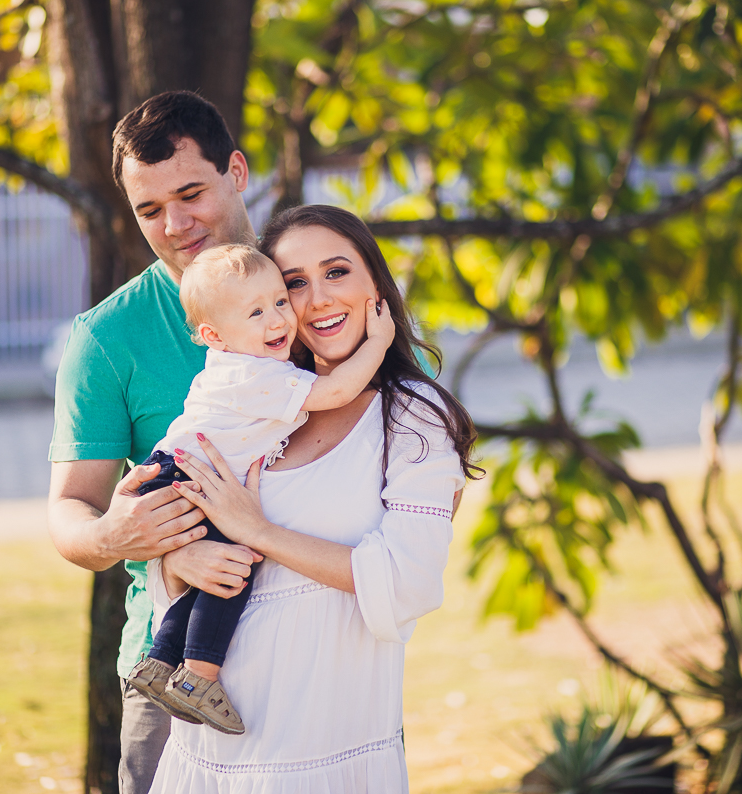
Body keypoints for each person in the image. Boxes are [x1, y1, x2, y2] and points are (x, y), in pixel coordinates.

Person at [146, 204, 483, 793]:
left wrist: (260, 533)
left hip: (319, 752)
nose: (317, 299)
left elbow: (408, 581)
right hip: (205, 757)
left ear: (376, 284)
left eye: (337, 272)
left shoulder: (411, 418)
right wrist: (176, 559)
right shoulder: (260, 406)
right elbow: (183, 539)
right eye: (293, 284)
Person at [47, 91, 266, 794]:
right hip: (172, 670)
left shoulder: (312, 290)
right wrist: (119, 533)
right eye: (149, 210)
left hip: (314, 649)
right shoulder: (106, 339)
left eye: (191, 193)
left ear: (236, 169)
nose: (175, 225)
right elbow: (70, 515)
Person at [125, 242, 395, 735]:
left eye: (277, 301)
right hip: (188, 480)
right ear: (213, 336)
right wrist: (378, 342)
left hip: (180, 474)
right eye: (255, 312)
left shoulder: (240, 366)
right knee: (236, 567)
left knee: (218, 568)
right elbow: (335, 393)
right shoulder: (255, 374)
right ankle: (200, 677)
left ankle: (160, 661)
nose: (278, 320)